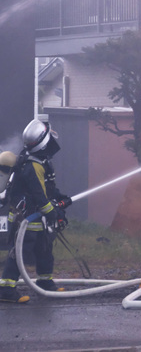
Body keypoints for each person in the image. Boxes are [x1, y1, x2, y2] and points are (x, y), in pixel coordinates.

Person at [0, 120, 71, 304]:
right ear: (44, 142)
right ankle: (6, 289)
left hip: (37, 219)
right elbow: (39, 195)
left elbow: (47, 187)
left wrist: (60, 198)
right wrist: (53, 212)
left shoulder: (41, 161)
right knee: (20, 253)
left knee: (44, 250)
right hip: (26, 219)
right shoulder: (33, 165)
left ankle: (45, 282)